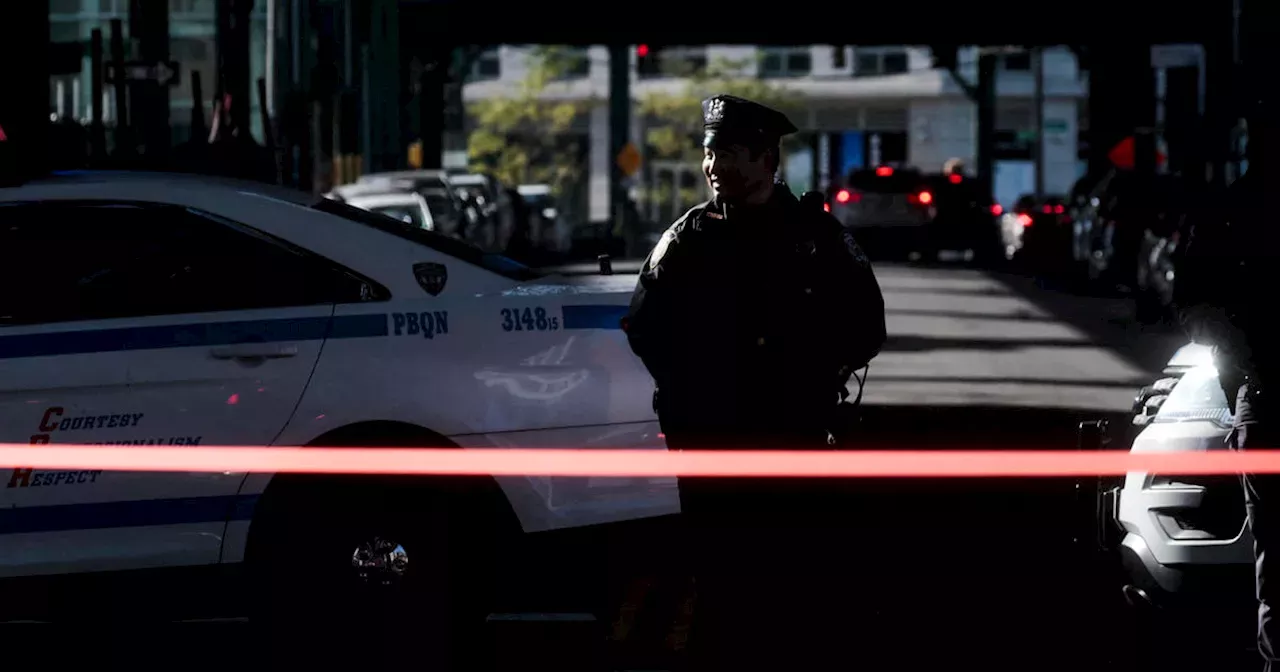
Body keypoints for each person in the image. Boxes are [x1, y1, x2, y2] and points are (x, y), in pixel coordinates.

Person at [623, 94, 886, 669]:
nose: (715, 165)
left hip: (792, 436)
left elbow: (867, 326)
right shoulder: (687, 239)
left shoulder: (817, 239)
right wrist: (691, 389)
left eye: (730, 152)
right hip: (709, 439)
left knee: (789, 579)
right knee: (718, 581)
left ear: (768, 160)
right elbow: (643, 326)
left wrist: (813, 374)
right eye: (709, 151)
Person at [1176, 93, 1278, 670]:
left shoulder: (1228, 212)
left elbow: (1190, 301)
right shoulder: (1227, 212)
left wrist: (1237, 355)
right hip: (1263, 394)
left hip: (1263, 396)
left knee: (1276, 555)